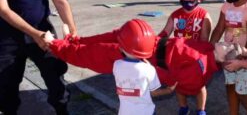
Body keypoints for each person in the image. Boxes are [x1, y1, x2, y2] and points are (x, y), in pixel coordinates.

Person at [46, 19, 219, 113]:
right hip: (150, 44)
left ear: (226, 60)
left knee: (96, 53)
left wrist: (54, 45)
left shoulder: (203, 69)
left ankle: (59, 45)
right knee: (113, 36)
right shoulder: (208, 48)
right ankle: (74, 41)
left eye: (231, 49)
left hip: (143, 56)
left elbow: (184, 84)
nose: (231, 43)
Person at [0, 0, 77, 115]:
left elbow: (60, 1)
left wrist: (72, 31)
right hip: (7, 37)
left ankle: (62, 110)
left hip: (44, 33)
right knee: (6, 84)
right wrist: (35, 34)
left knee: (55, 77)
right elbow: (3, 10)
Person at [159, 0, 212, 115]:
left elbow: (204, 40)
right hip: (178, 56)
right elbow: (165, 32)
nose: (188, 0)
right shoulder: (175, 15)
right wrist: (154, 41)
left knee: (199, 85)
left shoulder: (204, 15)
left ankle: (201, 110)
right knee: (178, 83)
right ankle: (183, 107)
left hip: (196, 57)